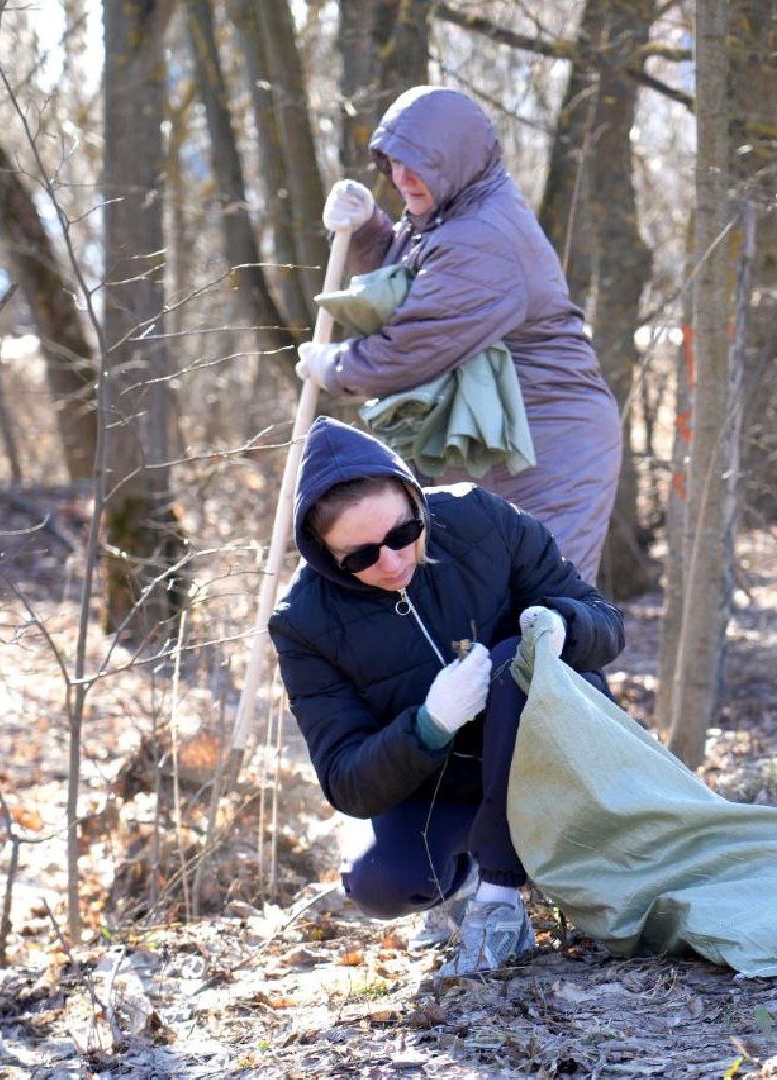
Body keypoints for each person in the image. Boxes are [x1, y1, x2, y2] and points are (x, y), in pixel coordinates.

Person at [269, 416, 625, 976]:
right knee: (380, 884)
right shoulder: (303, 622)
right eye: (360, 558)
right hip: (444, 787)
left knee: (512, 659)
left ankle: (500, 898)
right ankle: (471, 881)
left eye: (402, 535)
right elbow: (346, 780)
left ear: (415, 504)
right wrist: (430, 724)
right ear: (324, 555)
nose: (391, 562)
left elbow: (606, 623)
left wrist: (563, 625)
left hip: (552, 753)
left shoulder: (481, 518)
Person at [295, 85, 623, 584]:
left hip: (550, 448)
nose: (403, 177)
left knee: (541, 608)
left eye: (419, 164)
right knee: (476, 607)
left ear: (457, 159)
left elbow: (415, 345)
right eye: (394, 162)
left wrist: (337, 366)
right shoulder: (454, 210)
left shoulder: (485, 236)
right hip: (497, 439)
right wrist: (367, 231)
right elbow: (416, 287)